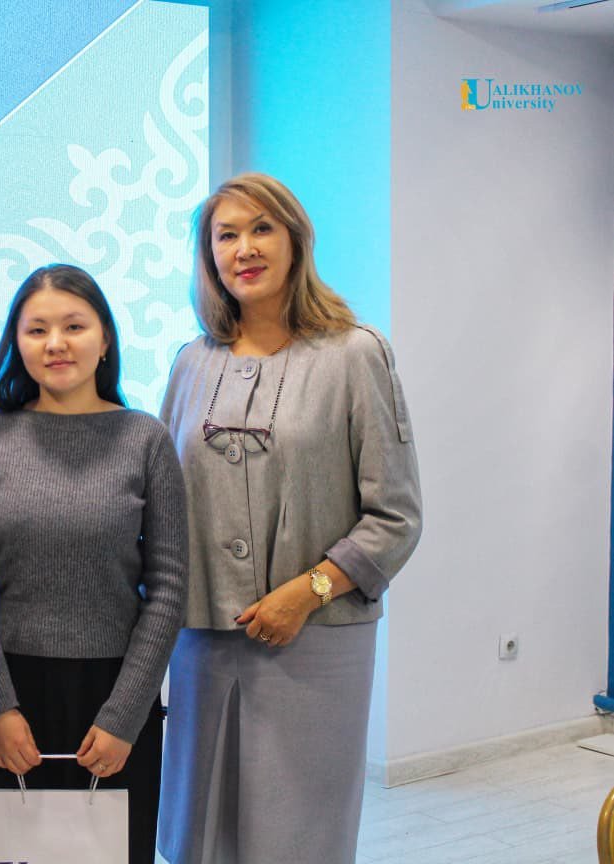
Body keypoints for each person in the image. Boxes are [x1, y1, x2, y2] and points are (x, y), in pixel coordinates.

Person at [157, 174, 422, 864]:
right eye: (226, 235)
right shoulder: (190, 363)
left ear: (295, 240)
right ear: (208, 255)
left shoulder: (355, 354)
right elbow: (160, 502)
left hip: (316, 642)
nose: (244, 248)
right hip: (202, 640)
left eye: (261, 228)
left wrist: (308, 592)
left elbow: (395, 516)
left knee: (299, 838)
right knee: (198, 834)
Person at [0, 264, 188, 864]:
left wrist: (125, 715)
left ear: (104, 338)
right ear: (16, 343)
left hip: (115, 697)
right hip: (2, 693)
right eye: (37, 330)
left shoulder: (145, 440)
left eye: (74, 326)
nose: (55, 343)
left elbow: (167, 589)